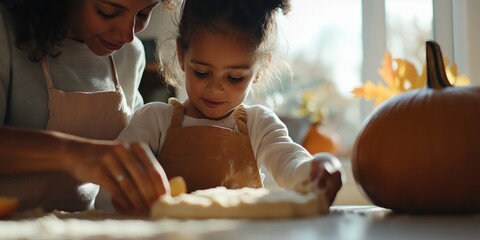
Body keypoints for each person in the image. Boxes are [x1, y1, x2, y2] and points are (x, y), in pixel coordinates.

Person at [117, 0, 343, 206]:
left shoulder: (259, 125)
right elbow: (113, 182)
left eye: (234, 77)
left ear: (259, 70)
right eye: (202, 72)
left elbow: (289, 162)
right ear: (181, 55)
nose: (215, 89)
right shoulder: (154, 121)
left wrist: (315, 168)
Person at [0, 0, 174, 215]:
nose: (127, 35)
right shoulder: (5, 31)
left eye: (143, 14)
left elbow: (135, 147)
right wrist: (73, 154)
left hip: (84, 227)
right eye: (108, 11)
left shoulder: (130, 54)